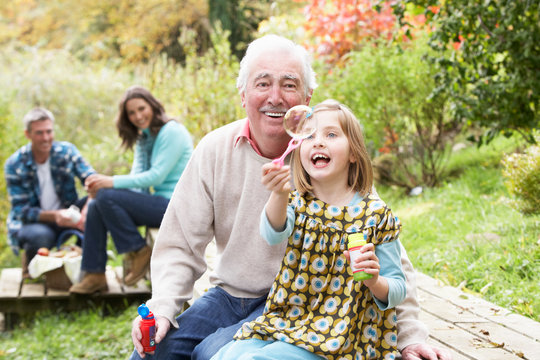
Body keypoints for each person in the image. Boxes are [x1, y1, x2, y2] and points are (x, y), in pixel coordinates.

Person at [130, 35, 451, 360]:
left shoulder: (326, 159)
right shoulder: (215, 149)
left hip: (301, 301)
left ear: (307, 97)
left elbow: (387, 251)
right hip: (229, 296)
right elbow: (179, 244)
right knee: (152, 353)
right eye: (262, 83)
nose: (275, 97)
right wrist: (163, 306)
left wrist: (409, 336)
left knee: (213, 355)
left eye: (288, 85)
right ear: (243, 94)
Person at [212, 99, 407, 359]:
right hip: (288, 322)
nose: (318, 141)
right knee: (226, 355)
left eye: (331, 134)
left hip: (342, 338)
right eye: (309, 135)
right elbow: (272, 233)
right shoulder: (297, 202)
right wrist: (279, 194)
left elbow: (398, 288)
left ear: (353, 153)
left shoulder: (374, 215)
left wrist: (374, 281)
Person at [69, 86, 193, 294]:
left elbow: (156, 176)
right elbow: (138, 182)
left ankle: (137, 249)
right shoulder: (145, 138)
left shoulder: (171, 131)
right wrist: (103, 192)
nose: (138, 116)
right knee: (99, 203)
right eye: (131, 113)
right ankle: (95, 274)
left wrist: (110, 183)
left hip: (179, 206)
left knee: (106, 195)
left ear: (152, 106)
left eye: (141, 109)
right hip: (161, 203)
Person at [4, 107, 94, 277]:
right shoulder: (14, 164)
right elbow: (21, 211)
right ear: (28, 134)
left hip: (68, 213)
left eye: (49, 131)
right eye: (39, 133)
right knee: (40, 236)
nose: (45, 138)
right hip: (34, 223)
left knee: (97, 206)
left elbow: (93, 180)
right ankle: (31, 267)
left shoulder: (66, 152)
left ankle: (86, 267)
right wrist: (56, 216)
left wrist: (88, 207)